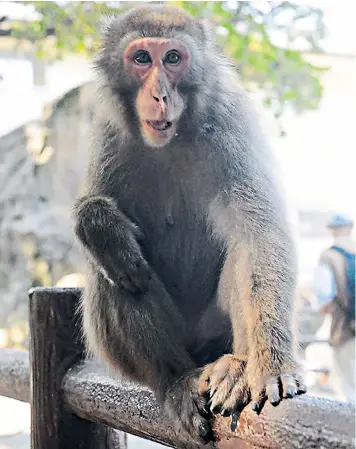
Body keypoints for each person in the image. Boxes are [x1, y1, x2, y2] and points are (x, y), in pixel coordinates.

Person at [313, 214, 355, 402]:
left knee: (348, 383)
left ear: (332, 231)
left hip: (343, 328)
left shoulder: (328, 256)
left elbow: (324, 299)